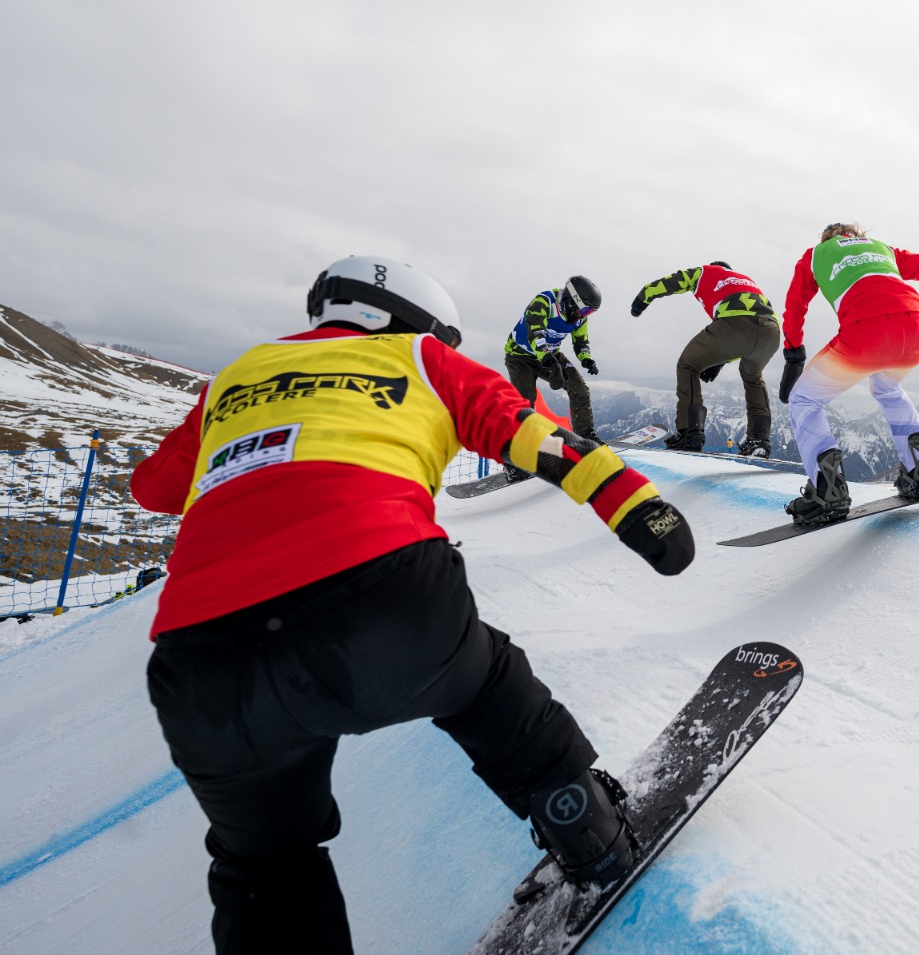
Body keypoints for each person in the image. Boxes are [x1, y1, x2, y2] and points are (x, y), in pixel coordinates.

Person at [130, 256, 694, 955]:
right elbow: (537, 436)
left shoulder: (236, 375)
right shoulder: (422, 357)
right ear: (417, 320)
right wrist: (637, 506)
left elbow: (152, 487)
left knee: (264, 862)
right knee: (486, 683)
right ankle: (590, 835)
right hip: (380, 595)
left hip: (201, 662)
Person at [777, 223, 919, 523]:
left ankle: (827, 490)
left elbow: (795, 307)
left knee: (805, 398)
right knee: (887, 389)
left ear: (827, 240)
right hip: (916, 328)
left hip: (866, 332)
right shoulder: (880, 248)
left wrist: (794, 356)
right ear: (855, 235)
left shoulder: (814, 256)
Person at [630, 262, 781, 456]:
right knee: (753, 377)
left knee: (688, 365)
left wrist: (642, 298)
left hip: (735, 323)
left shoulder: (705, 272)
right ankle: (759, 440)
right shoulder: (746, 280)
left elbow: (670, 282)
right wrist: (722, 360)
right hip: (771, 332)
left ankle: (689, 433)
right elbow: (751, 336)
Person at [504, 276, 604, 447]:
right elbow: (535, 334)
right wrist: (550, 364)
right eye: (586, 310)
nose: (585, 315)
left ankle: (585, 436)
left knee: (579, 388)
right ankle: (516, 455)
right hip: (520, 356)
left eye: (590, 312)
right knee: (524, 402)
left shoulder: (580, 318)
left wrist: (586, 358)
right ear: (572, 301)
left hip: (550, 354)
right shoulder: (544, 302)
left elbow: (581, 341)